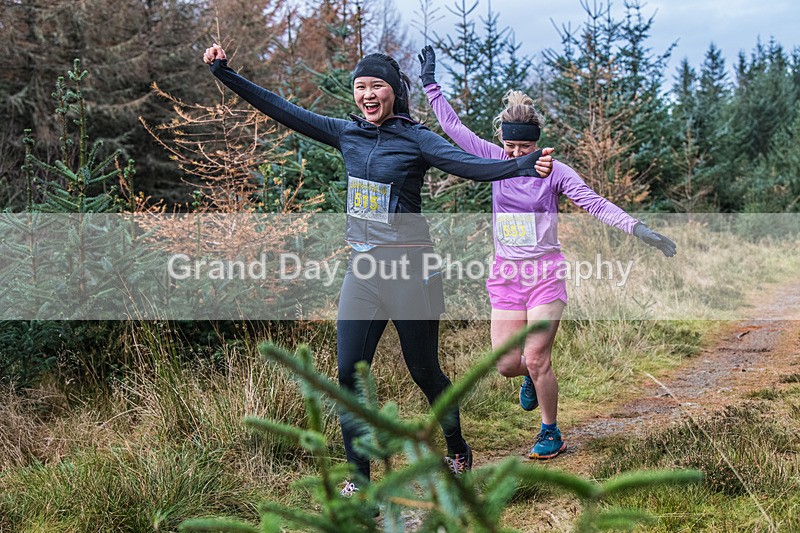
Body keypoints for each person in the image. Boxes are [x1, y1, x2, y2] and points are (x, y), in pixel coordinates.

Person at [203, 44, 555, 492]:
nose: (367, 95)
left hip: (412, 269)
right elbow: (281, 108)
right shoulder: (345, 133)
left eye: (376, 87)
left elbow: (468, 165)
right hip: (363, 269)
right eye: (360, 87)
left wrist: (523, 164)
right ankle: (360, 482)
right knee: (348, 374)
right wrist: (224, 74)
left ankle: (457, 446)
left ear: (394, 93)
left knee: (424, 369)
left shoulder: (416, 139)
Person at [418, 45, 676, 460]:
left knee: (537, 356)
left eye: (523, 149)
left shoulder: (555, 171)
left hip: (545, 276)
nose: (516, 156)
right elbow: (452, 126)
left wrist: (639, 228)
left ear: (536, 145)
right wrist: (431, 84)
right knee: (507, 363)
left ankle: (550, 430)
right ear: (502, 140)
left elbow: (594, 203)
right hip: (506, 276)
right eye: (510, 147)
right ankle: (531, 379)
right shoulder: (492, 157)